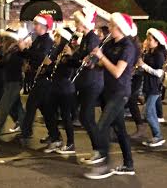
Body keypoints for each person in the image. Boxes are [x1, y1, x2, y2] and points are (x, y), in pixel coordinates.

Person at [82, 12, 138, 178]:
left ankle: (104, 166)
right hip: (109, 91)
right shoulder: (110, 43)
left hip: (120, 92)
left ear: (120, 27)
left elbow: (117, 72)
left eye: (112, 25)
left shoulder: (128, 46)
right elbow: (102, 64)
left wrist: (101, 57)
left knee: (102, 126)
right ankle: (129, 165)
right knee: (120, 130)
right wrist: (91, 61)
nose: (110, 28)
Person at [70, 8, 104, 152]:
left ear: (84, 23)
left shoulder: (92, 38)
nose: (75, 25)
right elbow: (79, 58)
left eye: (77, 22)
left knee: (86, 117)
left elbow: (90, 62)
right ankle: (98, 148)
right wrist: (72, 55)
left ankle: (99, 149)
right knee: (83, 116)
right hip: (84, 82)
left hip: (92, 83)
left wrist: (81, 58)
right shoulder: (85, 38)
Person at [18, 15, 55, 146]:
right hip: (36, 76)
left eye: (37, 24)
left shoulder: (47, 41)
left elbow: (41, 57)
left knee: (31, 104)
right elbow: (30, 55)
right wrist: (21, 50)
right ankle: (55, 135)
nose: (34, 27)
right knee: (45, 109)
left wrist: (25, 50)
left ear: (44, 26)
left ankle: (26, 132)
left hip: (43, 78)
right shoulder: (38, 39)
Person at [0, 28, 29, 136]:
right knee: (17, 106)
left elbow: (16, 63)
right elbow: (4, 62)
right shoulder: (10, 50)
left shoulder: (16, 50)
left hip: (14, 81)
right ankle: (26, 127)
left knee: (3, 105)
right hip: (9, 80)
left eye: (6, 38)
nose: (4, 41)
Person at [44, 27, 77, 155]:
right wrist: (48, 66)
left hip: (65, 89)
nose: (55, 39)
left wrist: (70, 55)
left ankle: (70, 143)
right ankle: (55, 138)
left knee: (65, 117)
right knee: (49, 112)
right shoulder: (57, 52)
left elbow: (72, 67)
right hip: (54, 87)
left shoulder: (68, 52)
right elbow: (53, 70)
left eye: (57, 37)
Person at [137, 28, 167, 148]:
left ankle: (158, 135)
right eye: (147, 39)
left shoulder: (159, 54)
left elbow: (159, 73)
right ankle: (157, 135)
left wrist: (143, 65)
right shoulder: (149, 52)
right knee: (151, 112)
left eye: (150, 39)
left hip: (154, 87)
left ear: (157, 41)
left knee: (148, 112)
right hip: (148, 85)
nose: (147, 41)